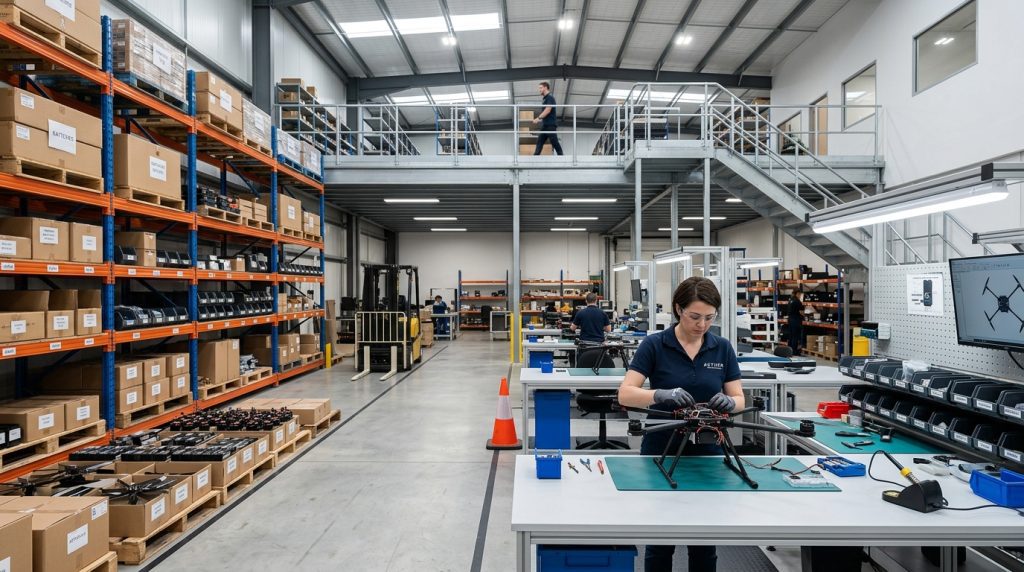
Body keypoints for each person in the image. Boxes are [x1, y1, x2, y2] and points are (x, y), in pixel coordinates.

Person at [617, 277, 744, 572]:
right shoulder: (655, 344)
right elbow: (625, 393)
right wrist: (658, 395)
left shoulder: (721, 347)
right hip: (662, 449)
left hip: (709, 451)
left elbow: (738, 397)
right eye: (695, 316)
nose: (702, 325)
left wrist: (730, 403)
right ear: (678, 309)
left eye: (709, 318)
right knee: (660, 539)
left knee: (704, 540)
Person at [532, 82, 563, 156]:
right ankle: (535, 157)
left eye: (540, 88)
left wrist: (538, 118)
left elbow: (548, 110)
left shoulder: (550, 98)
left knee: (554, 142)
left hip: (550, 125)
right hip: (545, 125)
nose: (539, 90)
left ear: (545, 87)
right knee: (540, 141)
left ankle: (561, 156)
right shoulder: (545, 99)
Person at [787, 290, 805, 356]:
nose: (800, 296)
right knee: (796, 336)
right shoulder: (798, 302)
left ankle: (789, 350)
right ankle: (794, 351)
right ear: (797, 293)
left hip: (790, 319)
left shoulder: (790, 300)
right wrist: (805, 315)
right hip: (796, 320)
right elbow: (801, 312)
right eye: (800, 294)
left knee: (791, 335)